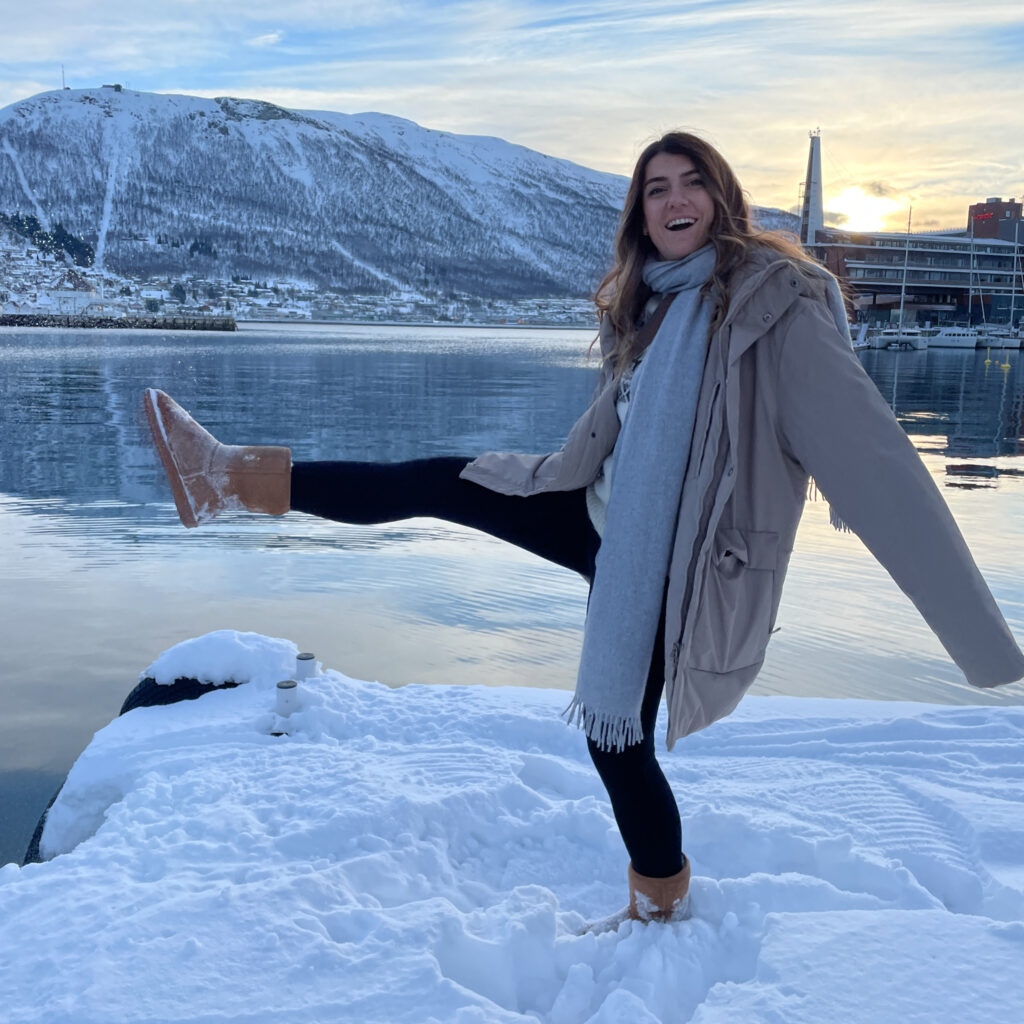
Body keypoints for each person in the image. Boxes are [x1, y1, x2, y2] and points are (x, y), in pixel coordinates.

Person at [143, 131, 1024, 929]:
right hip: (597, 511)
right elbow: (620, 434)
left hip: (674, 564)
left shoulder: (776, 311)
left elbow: (879, 468)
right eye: (655, 188)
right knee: (434, 480)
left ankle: (660, 899)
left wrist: (986, 644)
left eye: (691, 184)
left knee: (618, 740)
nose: (674, 200)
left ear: (722, 199)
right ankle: (223, 479)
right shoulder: (656, 304)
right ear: (640, 212)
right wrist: (550, 476)